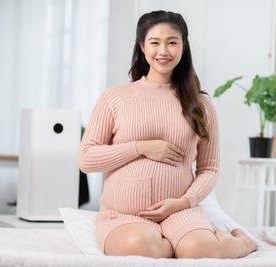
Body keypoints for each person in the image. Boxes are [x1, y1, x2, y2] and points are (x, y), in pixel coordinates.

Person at [79, 10, 257, 259]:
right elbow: (87, 159)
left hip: (180, 211)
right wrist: (140, 147)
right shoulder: (115, 97)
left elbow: (209, 169)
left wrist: (184, 202)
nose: (163, 51)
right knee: (139, 246)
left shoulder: (201, 105)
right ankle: (172, 244)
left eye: (172, 42)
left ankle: (243, 242)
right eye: (154, 42)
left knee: (200, 250)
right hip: (125, 214)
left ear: (183, 46)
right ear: (142, 47)